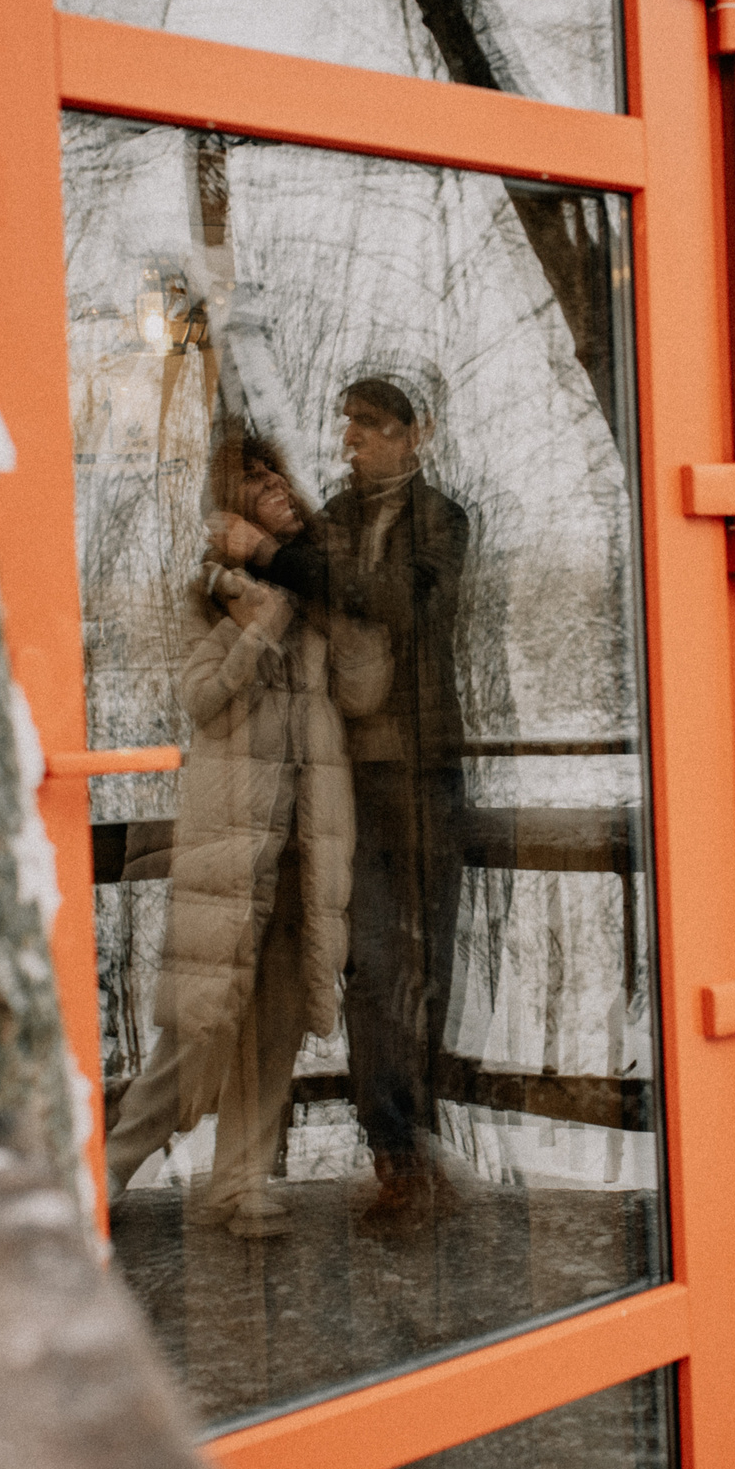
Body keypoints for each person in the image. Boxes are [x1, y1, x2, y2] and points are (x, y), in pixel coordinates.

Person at [107, 433, 388, 1237]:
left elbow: (365, 691)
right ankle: (106, 1172)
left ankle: (242, 1181)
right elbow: (199, 696)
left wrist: (337, 608)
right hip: (233, 838)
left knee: (277, 1017)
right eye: (252, 479)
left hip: (307, 838)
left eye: (277, 474)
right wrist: (257, 627)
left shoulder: (322, 588)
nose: (274, 486)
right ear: (230, 507)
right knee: (197, 1026)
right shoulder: (211, 591)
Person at [210, 375, 469, 1233]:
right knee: (369, 968)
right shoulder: (337, 524)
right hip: (355, 780)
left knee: (424, 971)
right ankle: (392, 1154)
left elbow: (394, 602)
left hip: (426, 780)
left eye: (370, 426)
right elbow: (320, 590)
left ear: (411, 435)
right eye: (347, 426)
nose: (352, 440)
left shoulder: (443, 521)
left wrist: (281, 558)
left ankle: (417, 1155)